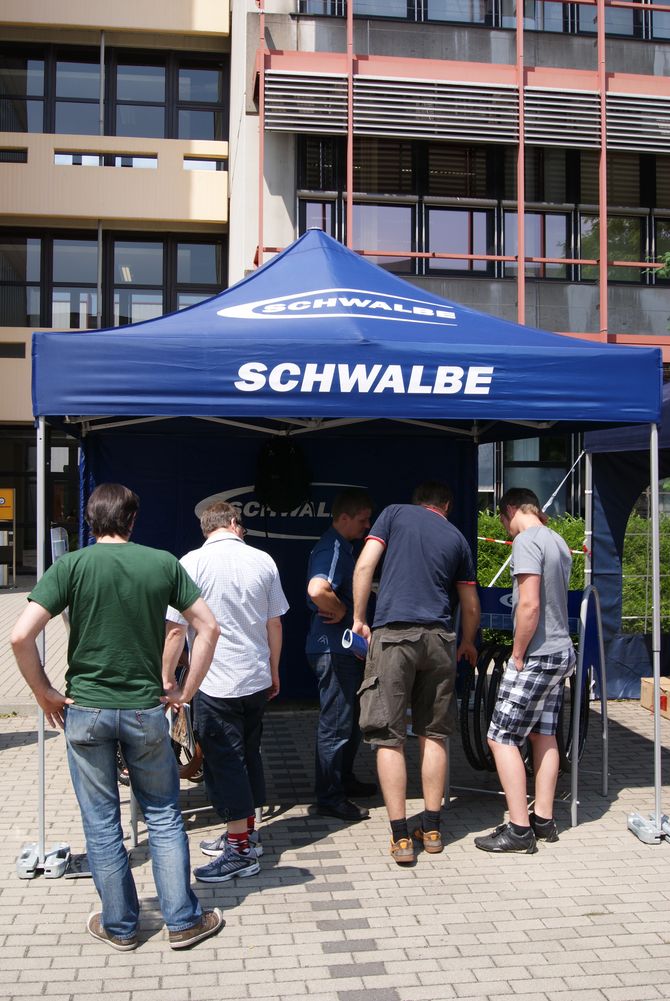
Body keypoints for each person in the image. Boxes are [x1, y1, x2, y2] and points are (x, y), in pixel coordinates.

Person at [10, 483, 224, 952]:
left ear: (90, 521)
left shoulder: (70, 566)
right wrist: (185, 690)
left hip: (85, 710)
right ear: (132, 520)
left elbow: (20, 637)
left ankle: (121, 926)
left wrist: (44, 693)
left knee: (101, 820)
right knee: (164, 815)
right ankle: (183, 921)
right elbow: (209, 626)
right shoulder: (162, 563)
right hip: (146, 710)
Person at [352, 481, 480, 865]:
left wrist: (359, 618)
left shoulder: (393, 514)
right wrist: (467, 641)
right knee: (434, 734)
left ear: (417, 501)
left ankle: (401, 838)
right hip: (439, 639)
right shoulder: (457, 538)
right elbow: (470, 604)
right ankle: (433, 828)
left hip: (393, 635)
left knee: (388, 736)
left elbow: (365, 565)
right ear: (446, 505)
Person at [164, 501, 289, 883]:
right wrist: (274, 670)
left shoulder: (190, 564)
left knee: (226, 762)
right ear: (234, 523)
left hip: (215, 682)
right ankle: (247, 834)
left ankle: (240, 851)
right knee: (248, 755)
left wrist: (169, 680)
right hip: (254, 678)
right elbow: (274, 625)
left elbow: (175, 629)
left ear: (207, 528)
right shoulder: (264, 560)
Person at [474, 487, 575, 854]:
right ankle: (543, 821)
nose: (505, 528)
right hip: (561, 651)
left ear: (512, 509)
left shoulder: (527, 541)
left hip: (536, 654)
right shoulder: (558, 541)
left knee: (500, 737)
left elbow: (529, 604)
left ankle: (519, 829)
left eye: (504, 520)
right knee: (543, 734)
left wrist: (517, 653)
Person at [306, 488, 376, 822]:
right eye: (363, 520)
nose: (367, 526)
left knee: (348, 721)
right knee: (336, 723)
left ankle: (343, 781)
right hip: (332, 649)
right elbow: (317, 589)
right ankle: (329, 797)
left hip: (341, 649)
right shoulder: (332, 547)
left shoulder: (342, 547)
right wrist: (344, 610)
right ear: (344, 518)